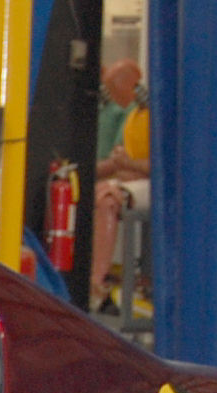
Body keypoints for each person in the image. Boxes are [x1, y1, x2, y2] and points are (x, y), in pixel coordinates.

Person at [90, 62, 150, 310]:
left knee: (108, 201)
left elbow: (164, 166)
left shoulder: (159, 117)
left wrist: (129, 165)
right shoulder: (134, 116)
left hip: (152, 185)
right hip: (131, 178)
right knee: (94, 194)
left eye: (116, 92)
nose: (114, 98)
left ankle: (97, 280)